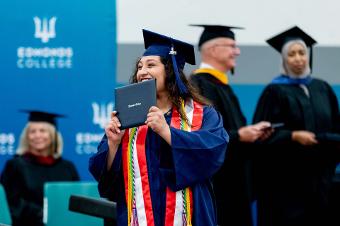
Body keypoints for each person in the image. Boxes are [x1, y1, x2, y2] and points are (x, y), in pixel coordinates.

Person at [89, 29, 228, 226]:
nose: (142, 72)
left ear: (170, 71)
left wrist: (167, 132)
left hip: (191, 215)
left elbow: (213, 151)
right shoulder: (128, 117)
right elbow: (109, 182)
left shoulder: (203, 114)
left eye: (151, 65)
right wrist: (113, 145)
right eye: (139, 67)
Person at [252, 26, 340, 226]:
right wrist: (292, 136)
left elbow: (336, 126)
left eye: (302, 53)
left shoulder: (322, 88)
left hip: (322, 180)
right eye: (291, 54)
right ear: (283, 60)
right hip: (287, 183)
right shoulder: (274, 91)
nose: (298, 58)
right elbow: (261, 135)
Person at [189, 24, 272, 226]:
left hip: (235, 182)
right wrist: (239, 136)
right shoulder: (199, 85)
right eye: (232, 46)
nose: (238, 51)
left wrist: (252, 134)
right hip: (218, 186)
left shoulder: (222, 86)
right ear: (213, 49)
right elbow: (201, 135)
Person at [0, 110, 80, 226]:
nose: (37, 136)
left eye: (43, 131)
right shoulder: (15, 165)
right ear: (27, 136)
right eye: (32, 132)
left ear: (52, 135)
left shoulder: (67, 167)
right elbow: (10, 202)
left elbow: (75, 199)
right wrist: (42, 213)